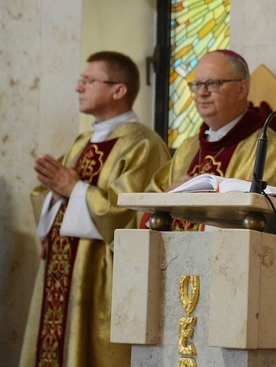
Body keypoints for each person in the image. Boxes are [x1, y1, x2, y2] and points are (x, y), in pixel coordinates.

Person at [20, 51, 170, 367]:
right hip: (62, 274)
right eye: (81, 80)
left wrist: (74, 189)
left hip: (102, 279)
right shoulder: (83, 140)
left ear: (119, 90)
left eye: (89, 81)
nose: (79, 87)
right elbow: (55, 193)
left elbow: (133, 216)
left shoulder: (142, 143)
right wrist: (57, 194)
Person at [146, 49, 276, 229]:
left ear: (241, 89)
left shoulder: (267, 149)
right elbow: (148, 211)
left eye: (213, 84)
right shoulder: (188, 148)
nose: (201, 93)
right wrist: (167, 197)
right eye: (197, 84)